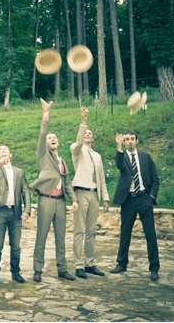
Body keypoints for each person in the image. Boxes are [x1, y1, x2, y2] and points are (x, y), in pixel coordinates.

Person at [31, 99, 78, 282]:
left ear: (58, 142)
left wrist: (73, 199)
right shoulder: (43, 156)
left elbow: (67, 183)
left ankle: (62, 269)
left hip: (60, 202)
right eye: (50, 138)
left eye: (54, 138)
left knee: (61, 237)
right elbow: (43, 134)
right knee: (41, 236)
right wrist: (46, 114)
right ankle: (37, 270)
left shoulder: (63, 161)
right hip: (46, 200)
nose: (52, 139)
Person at [110, 131, 160, 281]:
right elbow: (119, 165)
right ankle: (122, 263)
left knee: (150, 234)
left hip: (144, 198)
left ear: (137, 141)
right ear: (124, 142)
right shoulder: (122, 156)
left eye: (132, 139)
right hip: (128, 200)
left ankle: (154, 267)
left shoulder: (145, 157)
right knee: (125, 233)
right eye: (127, 139)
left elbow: (155, 179)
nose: (130, 141)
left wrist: (151, 197)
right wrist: (118, 147)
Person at [70, 105, 109, 279]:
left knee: (91, 230)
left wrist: (105, 198)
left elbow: (101, 178)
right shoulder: (77, 150)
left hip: (94, 194)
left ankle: (89, 263)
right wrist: (83, 123)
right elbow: (78, 143)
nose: (87, 135)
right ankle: (78, 265)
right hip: (80, 192)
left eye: (89, 133)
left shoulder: (98, 155)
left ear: (93, 138)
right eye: (86, 133)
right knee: (79, 230)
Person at [0, 144, 31, 285]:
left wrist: (27, 209)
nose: (3, 150)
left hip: (16, 212)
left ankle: (15, 273)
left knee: (16, 246)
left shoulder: (19, 171)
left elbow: (26, 191)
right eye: (0, 149)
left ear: (10, 154)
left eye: (6, 149)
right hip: (0, 211)